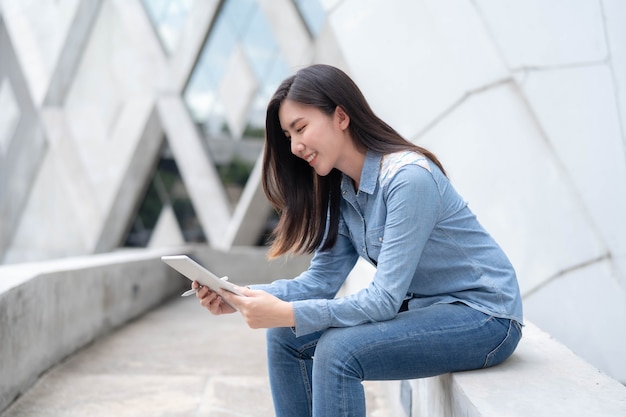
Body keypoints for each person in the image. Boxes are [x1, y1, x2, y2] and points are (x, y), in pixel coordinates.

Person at [192, 64, 523, 417]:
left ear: (341, 116)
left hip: (485, 318)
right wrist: (238, 297)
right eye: (288, 136)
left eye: (300, 128)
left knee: (338, 352)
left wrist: (288, 311)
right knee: (285, 335)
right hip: (429, 311)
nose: (295, 146)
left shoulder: (408, 180)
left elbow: (383, 300)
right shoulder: (341, 190)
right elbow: (320, 281)